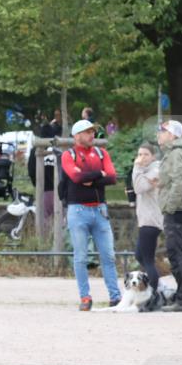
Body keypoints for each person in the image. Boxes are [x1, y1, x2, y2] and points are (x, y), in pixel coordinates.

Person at [62, 119, 120, 311]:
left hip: (100, 209)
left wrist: (91, 179)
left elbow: (112, 177)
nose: (92, 135)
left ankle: (115, 297)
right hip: (78, 210)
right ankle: (85, 297)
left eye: (92, 132)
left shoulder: (102, 153)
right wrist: (99, 174)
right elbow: (76, 177)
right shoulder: (68, 155)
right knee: (81, 257)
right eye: (87, 132)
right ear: (77, 135)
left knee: (108, 256)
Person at [156, 120, 182, 311]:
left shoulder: (177, 152)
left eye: (163, 131)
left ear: (172, 135)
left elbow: (179, 182)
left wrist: (169, 207)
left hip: (178, 210)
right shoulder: (178, 151)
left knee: (177, 255)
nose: (159, 134)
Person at [131, 143, 162, 300]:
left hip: (152, 220)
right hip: (144, 219)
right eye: (140, 154)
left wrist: (136, 168)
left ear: (153, 156)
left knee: (147, 259)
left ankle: (153, 295)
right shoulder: (145, 171)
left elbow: (138, 187)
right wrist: (140, 170)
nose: (142, 158)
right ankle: (158, 284)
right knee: (139, 255)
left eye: (146, 154)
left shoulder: (155, 170)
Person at [27, 143, 58, 229]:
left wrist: (36, 185)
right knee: (62, 221)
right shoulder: (62, 147)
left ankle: (45, 237)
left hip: (44, 189)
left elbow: (31, 171)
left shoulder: (36, 148)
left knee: (44, 221)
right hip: (61, 191)